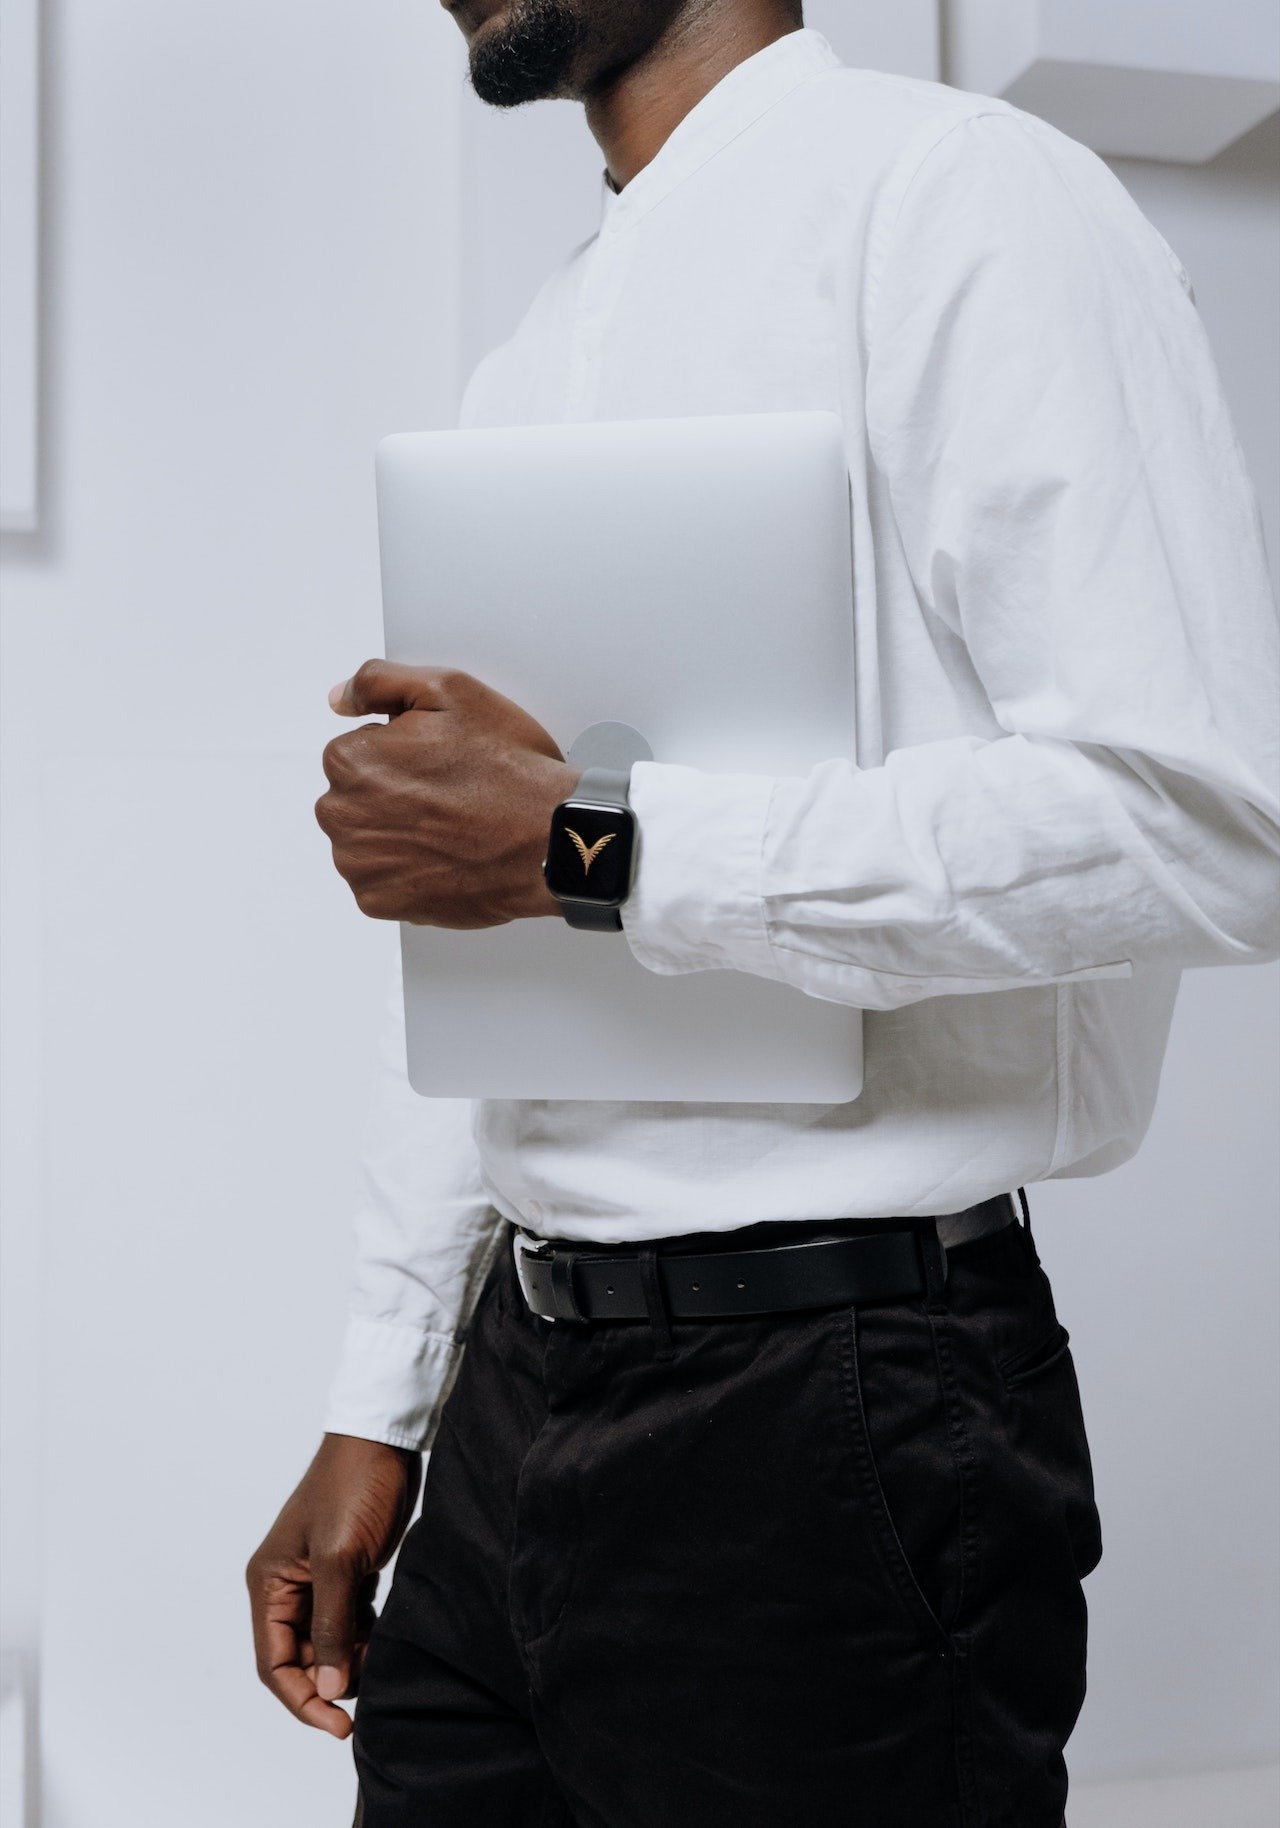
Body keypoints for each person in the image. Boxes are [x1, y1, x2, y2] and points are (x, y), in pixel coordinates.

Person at [245, 3, 1280, 1824]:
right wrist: (380, 1399)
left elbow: (1207, 823)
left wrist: (598, 846)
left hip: (842, 1411)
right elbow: (480, 950)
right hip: (516, 1397)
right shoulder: (536, 351)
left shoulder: (964, 200)